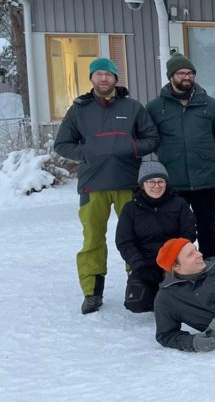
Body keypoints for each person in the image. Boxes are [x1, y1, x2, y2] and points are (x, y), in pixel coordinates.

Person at [55, 56, 160, 314]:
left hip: (129, 183)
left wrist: (132, 147)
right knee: (93, 239)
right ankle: (92, 292)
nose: (104, 78)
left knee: (137, 237)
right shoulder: (79, 109)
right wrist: (89, 151)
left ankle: (139, 283)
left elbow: (152, 138)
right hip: (93, 186)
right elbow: (62, 144)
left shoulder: (132, 107)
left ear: (115, 78)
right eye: (99, 74)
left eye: (109, 74)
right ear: (92, 78)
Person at [146, 51, 215, 259]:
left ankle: (211, 270)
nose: (186, 77)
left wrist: (201, 153)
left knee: (207, 229)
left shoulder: (212, 105)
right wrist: (171, 154)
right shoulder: (156, 108)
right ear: (171, 76)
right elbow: (153, 139)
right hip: (173, 181)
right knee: (175, 231)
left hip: (204, 180)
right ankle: (178, 270)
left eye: (190, 73)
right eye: (181, 73)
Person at [115, 161, 197, 313]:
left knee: (183, 303)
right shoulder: (130, 209)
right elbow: (124, 242)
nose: (156, 186)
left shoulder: (179, 204)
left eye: (161, 181)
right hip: (145, 263)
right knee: (137, 304)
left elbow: (189, 234)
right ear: (142, 184)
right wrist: (139, 265)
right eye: (150, 181)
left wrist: (173, 260)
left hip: (174, 263)